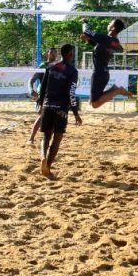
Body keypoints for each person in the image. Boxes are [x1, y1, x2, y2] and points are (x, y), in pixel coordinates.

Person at [37, 44, 82, 179]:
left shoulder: (50, 67)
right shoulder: (72, 71)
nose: (73, 55)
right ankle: (48, 168)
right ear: (69, 54)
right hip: (61, 108)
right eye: (72, 53)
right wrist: (75, 113)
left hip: (47, 105)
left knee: (46, 136)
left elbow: (43, 88)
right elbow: (71, 93)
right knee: (57, 139)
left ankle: (43, 157)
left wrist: (40, 104)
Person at [80, 18, 133, 109]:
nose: (108, 24)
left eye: (110, 23)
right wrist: (89, 39)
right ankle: (114, 89)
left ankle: (117, 90)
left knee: (94, 104)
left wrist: (85, 22)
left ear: (113, 28)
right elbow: (99, 46)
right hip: (103, 73)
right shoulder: (115, 42)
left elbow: (86, 31)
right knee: (93, 101)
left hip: (99, 73)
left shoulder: (106, 38)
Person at [27, 47, 58, 145]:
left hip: (55, 95)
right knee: (41, 116)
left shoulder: (59, 66)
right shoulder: (43, 66)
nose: (52, 54)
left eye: (54, 53)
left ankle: (47, 140)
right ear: (47, 54)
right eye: (51, 52)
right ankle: (31, 138)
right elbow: (31, 80)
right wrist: (31, 90)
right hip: (44, 94)